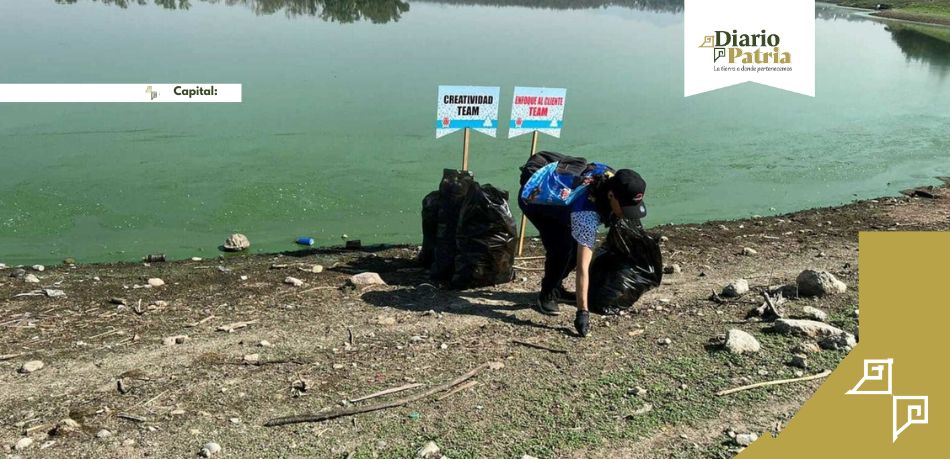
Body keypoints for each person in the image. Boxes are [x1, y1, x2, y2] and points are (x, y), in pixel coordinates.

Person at [518, 151, 648, 337]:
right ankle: (547, 294)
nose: (629, 213)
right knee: (562, 249)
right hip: (536, 201)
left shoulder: (612, 178)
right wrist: (583, 312)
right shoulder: (586, 214)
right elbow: (583, 268)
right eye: (626, 208)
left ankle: (557, 287)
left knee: (570, 247)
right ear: (611, 196)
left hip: (566, 201)